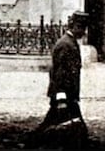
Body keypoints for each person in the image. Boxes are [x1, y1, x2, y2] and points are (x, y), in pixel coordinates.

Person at [31, 11, 90, 148]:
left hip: (68, 96)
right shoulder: (65, 44)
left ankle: (31, 143)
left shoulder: (70, 43)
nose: (84, 32)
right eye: (81, 28)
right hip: (64, 97)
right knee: (76, 130)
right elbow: (58, 73)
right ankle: (30, 144)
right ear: (74, 27)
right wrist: (61, 99)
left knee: (55, 125)